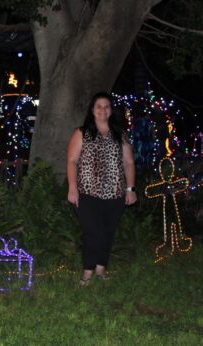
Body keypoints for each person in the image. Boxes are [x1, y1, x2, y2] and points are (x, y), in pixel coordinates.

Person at [67, 92, 137, 285]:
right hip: (87, 193)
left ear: (111, 110)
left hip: (115, 194)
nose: (103, 110)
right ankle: (87, 272)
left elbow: (129, 163)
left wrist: (130, 189)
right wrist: (72, 187)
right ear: (92, 110)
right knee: (92, 232)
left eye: (106, 106)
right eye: (99, 106)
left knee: (107, 232)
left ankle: (100, 269)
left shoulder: (119, 134)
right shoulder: (81, 133)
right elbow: (72, 161)